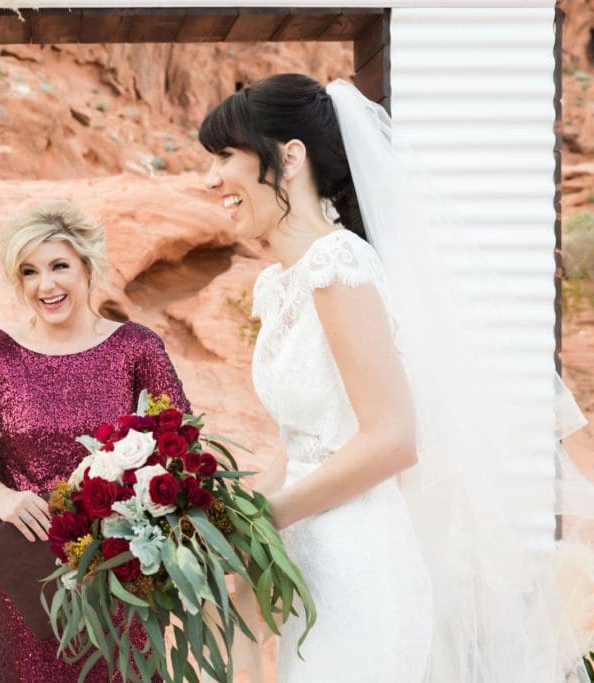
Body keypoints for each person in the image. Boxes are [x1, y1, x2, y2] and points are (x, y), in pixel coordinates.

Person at [203, 73, 594, 683]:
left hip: (363, 563)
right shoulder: (281, 283)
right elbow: (300, 440)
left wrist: (264, 517)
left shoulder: (340, 263)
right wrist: (227, 520)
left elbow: (391, 439)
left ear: (289, 156)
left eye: (226, 155)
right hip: (311, 564)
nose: (212, 178)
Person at [0, 200, 189, 682]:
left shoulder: (136, 348)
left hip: (121, 567)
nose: (47, 285)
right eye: (29, 271)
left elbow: (179, 444)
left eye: (59, 266)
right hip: (26, 566)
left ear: (86, 267)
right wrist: (3, 497)